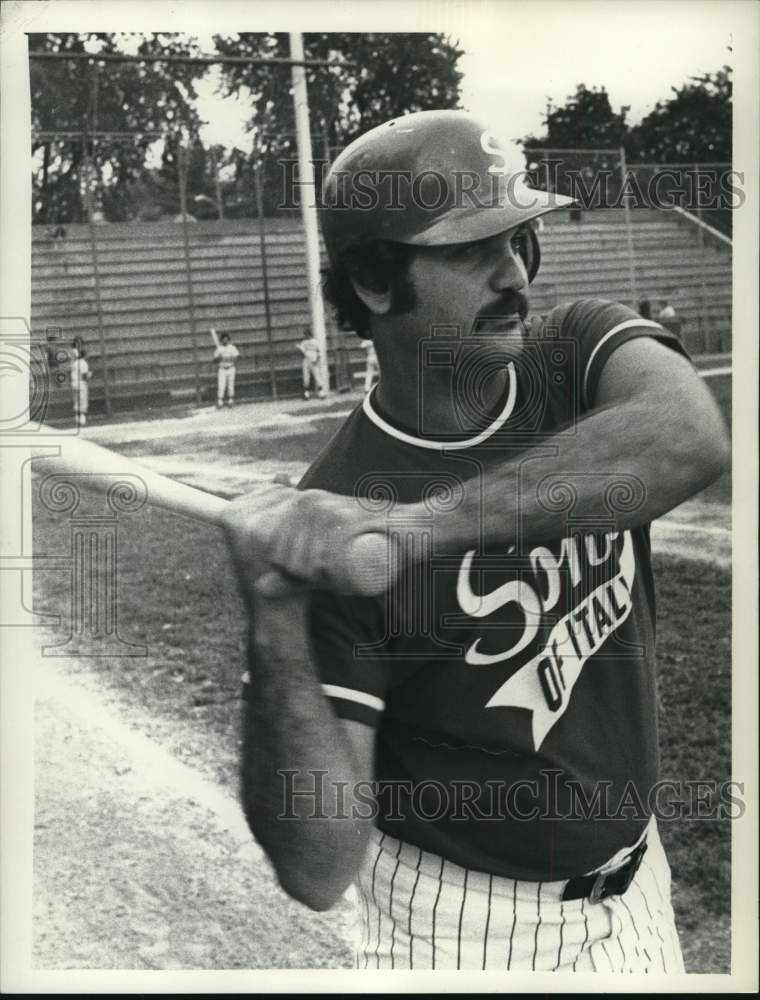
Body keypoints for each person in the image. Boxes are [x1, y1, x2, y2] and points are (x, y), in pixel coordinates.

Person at [221, 111, 729, 972]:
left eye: (522, 237)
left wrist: (414, 529)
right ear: (377, 282)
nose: (516, 274)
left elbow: (688, 436)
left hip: (641, 891)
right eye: (472, 248)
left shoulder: (574, 354)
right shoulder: (329, 519)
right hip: (467, 936)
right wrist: (273, 619)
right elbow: (316, 868)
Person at [296, 328, 326, 399]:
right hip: (306, 360)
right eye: (305, 335)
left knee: (317, 376)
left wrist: (317, 360)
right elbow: (302, 352)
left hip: (314, 360)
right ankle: (306, 394)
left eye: (307, 334)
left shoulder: (315, 342)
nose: (306, 336)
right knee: (306, 377)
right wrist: (302, 352)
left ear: (310, 334)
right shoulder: (304, 342)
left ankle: (321, 393)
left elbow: (319, 352)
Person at [214, 331, 240, 408]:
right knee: (221, 385)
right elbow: (215, 359)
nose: (225, 341)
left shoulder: (232, 348)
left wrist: (228, 359)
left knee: (230, 384)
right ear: (221, 340)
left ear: (228, 339)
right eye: (223, 339)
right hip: (222, 369)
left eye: (226, 339)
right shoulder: (219, 349)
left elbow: (236, 358)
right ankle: (220, 401)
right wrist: (219, 358)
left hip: (231, 368)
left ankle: (230, 400)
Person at [70, 341, 92, 427]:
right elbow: (84, 376)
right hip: (81, 383)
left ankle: (76, 417)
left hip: (74, 382)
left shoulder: (75, 363)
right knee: (82, 400)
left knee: (76, 400)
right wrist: (89, 375)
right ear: (85, 355)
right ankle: (82, 418)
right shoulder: (84, 363)